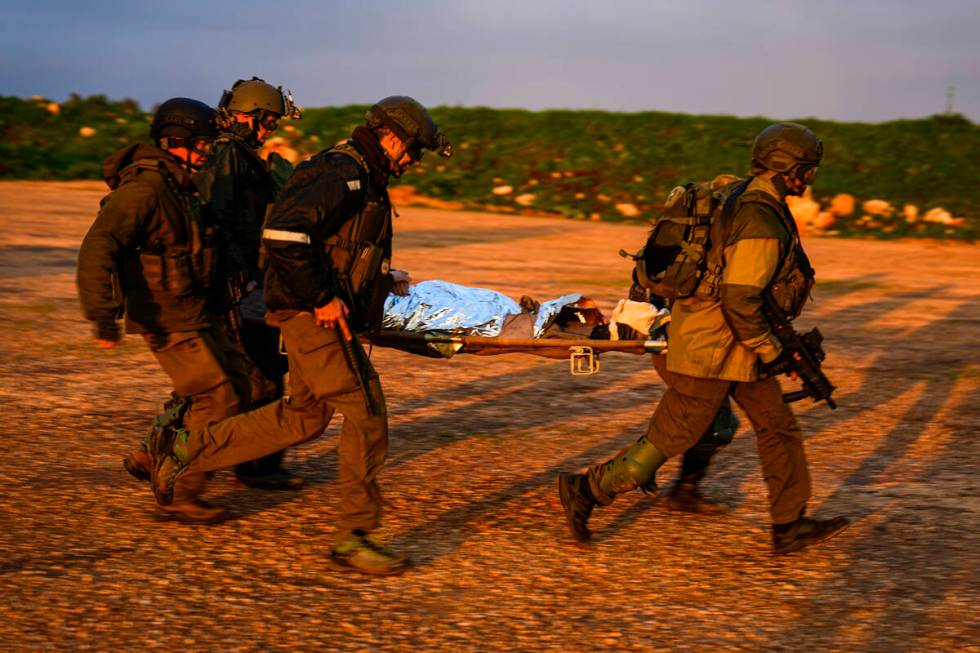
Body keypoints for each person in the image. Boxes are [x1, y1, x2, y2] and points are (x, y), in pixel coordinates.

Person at [147, 96, 453, 576]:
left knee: (303, 417)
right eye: (414, 149)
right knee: (367, 413)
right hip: (313, 315)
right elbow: (285, 236)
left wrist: (377, 276)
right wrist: (320, 298)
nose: (414, 160)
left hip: (317, 310)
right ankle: (354, 536)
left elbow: (334, 246)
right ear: (392, 137)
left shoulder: (362, 176)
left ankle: (187, 450)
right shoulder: (342, 172)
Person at [559, 123, 849, 554]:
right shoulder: (761, 217)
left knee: (777, 425)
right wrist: (773, 350)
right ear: (788, 167)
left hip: (734, 346)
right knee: (672, 435)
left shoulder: (741, 195)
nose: (810, 178)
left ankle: (788, 525)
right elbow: (740, 297)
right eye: (807, 169)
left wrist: (771, 350)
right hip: (712, 347)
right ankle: (586, 490)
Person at [77, 98, 249, 524]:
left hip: (192, 308)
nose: (209, 153)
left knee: (235, 382)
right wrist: (102, 314)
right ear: (176, 141)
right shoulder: (147, 188)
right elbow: (100, 244)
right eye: (203, 144)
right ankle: (178, 492)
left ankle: (150, 454)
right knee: (217, 398)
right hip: (166, 315)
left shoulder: (179, 183)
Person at [196, 77, 304, 490]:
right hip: (233, 286)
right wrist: (242, 278)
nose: (268, 131)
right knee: (252, 378)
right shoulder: (226, 156)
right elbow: (218, 222)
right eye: (267, 122)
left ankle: (256, 464)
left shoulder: (236, 155)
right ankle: (251, 466)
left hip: (244, 282)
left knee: (263, 374)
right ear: (249, 116)